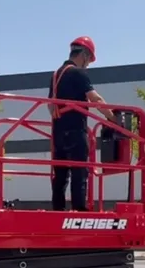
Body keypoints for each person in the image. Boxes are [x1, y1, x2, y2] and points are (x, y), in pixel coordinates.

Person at [47, 36, 117, 211]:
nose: (88, 65)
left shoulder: (55, 75)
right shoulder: (78, 73)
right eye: (89, 60)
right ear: (84, 55)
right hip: (76, 131)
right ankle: (79, 210)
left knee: (60, 174)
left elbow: (50, 105)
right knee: (80, 171)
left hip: (58, 132)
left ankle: (58, 210)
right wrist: (114, 119)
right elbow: (96, 99)